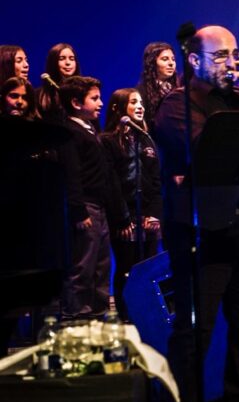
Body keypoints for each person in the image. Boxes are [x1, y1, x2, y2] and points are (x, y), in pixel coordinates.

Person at [152, 25, 239, 402]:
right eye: (221, 55)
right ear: (194, 60)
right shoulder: (176, 104)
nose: (232, 63)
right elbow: (207, 154)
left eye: (235, 54)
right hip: (200, 232)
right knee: (195, 331)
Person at [59, 75, 128, 319]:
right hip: (86, 208)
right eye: (95, 98)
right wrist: (78, 211)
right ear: (76, 103)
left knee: (101, 265)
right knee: (82, 266)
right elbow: (71, 174)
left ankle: (99, 316)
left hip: (99, 208)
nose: (101, 103)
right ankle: (77, 318)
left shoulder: (90, 130)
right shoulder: (70, 132)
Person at [100, 88, 162, 319]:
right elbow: (111, 182)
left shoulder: (146, 139)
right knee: (127, 268)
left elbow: (156, 180)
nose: (140, 107)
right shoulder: (108, 141)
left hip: (147, 217)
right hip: (125, 217)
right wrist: (122, 218)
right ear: (118, 108)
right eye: (133, 102)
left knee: (149, 269)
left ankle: (147, 317)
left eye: (141, 102)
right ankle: (126, 316)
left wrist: (154, 213)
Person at [137, 42, 180, 127]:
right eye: (165, 59)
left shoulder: (180, 88)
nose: (171, 63)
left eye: (173, 59)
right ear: (152, 63)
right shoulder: (141, 93)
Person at [38, 43, 80, 122]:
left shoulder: (83, 91)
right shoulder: (41, 95)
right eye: (62, 59)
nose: (68, 62)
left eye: (72, 59)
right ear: (53, 62)